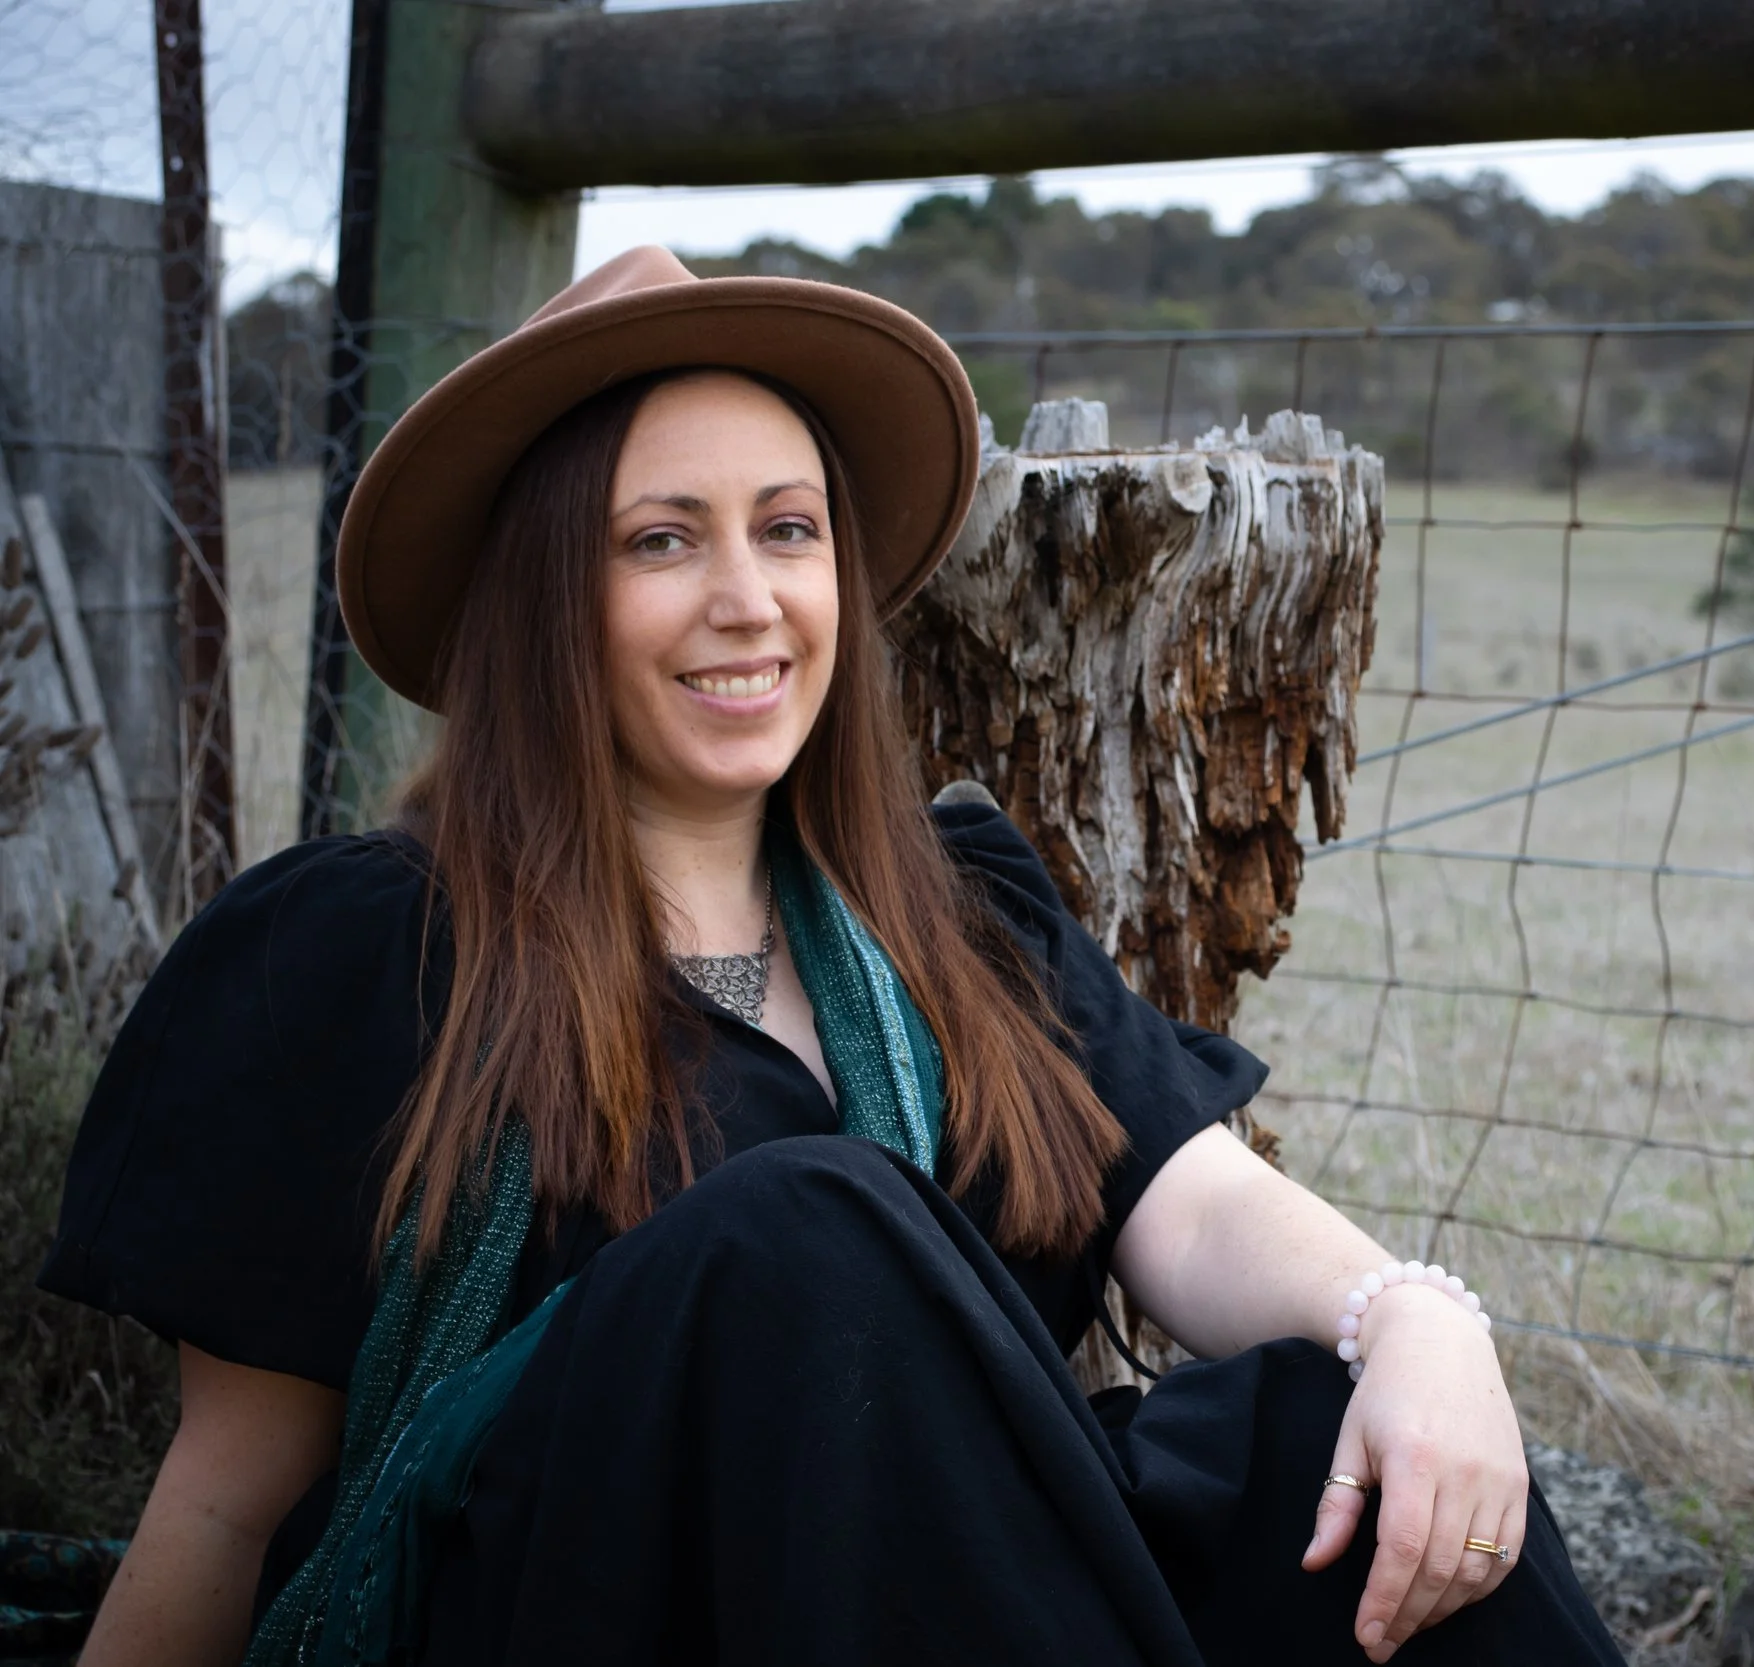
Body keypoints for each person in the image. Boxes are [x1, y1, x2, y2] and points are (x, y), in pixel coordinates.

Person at [38, 247, 1623, 1667]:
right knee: (810, 1227)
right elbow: (230, 1503)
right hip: (572, 1606)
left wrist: (1418, 1322)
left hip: (952, 1598)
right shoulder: (365, 954)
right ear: (541, 601)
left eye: (786, 530)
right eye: (662, 540)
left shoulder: (948, 916)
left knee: (1322, 1437)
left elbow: (1193, 1201)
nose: (748, 600)